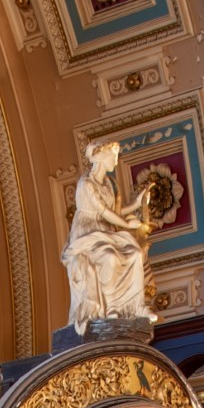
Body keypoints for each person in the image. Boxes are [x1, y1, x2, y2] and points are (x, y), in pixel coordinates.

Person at [62, 140, 154, 334]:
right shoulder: (86, 184)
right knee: (109, 257)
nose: (115, 161)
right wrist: (126, 224)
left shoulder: (110, 184)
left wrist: (136, 204)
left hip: (107, 230)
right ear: (102, 158)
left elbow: (115, 211)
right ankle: (110, 308)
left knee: (135, 254)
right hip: (89, 232)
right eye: (113, 157)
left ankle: (136, 308)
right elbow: (103, 212)